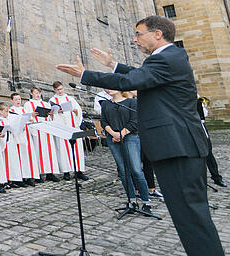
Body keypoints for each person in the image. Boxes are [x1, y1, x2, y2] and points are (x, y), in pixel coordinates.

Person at [57, 15, 221, 255]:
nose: (134, 39)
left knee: (191, 217)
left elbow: (131, 80)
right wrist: (113, 65)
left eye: (138, 33)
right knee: (188, 216)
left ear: (157, 34)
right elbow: (139, 74)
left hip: (178, 148)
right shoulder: (167, 58)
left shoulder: (166, 58)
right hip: (176, 146)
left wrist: (85, 75)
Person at [99, 89, 153, 213]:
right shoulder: (106, 103)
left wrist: (121, 133)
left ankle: (146, 202)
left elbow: (135, 120)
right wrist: (113, 133)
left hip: (130, 137)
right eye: (106, 88)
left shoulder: (131, 102)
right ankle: (132, 200)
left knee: (136, 170)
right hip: (113, 138)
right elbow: (104, 121)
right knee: (123, 171)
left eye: (111, 87)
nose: (108, 90)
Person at [50, 81, 88, 181]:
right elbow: (51, 115)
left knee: (77, 150)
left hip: (73, 127)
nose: (60, 91)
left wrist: (76, 112)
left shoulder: (70, 98)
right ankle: (66, 172)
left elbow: (78, 110)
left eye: (61, 89)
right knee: (63, 150)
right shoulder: (52, 100)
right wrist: (57, 112)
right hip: (62, 128)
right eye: (58, 90)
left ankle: (79, 171)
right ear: (54, 90)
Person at [23, 86, 60, 182]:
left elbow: (50, 116)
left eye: (39, 93)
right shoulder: (28, 104)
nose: (37, 95)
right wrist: (31, 115)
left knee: (49, 151)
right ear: (31, 94)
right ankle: (38, 173)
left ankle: (50, 173)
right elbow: (26, 116)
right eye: (35, 93)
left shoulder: (46, 104)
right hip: (36, 129)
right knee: (37, 151)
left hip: (46, 130)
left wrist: (51, 115)